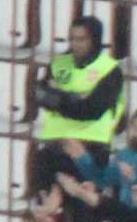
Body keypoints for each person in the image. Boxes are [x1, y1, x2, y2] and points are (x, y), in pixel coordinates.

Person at [30, 14, 125, 184]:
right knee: (45, 197)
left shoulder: (109, 70)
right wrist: (73, 98)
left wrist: (57, 97)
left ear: (95, 40)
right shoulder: (59, 63)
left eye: (82, 39)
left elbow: (91, 110)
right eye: (72, 39)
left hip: (90, 149)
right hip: (54, 145)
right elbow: (39, 94)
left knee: (83, 199)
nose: (75, 44)